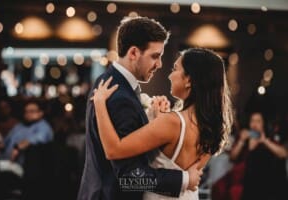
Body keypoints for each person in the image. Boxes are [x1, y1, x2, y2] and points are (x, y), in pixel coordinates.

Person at [77, 17, 203, 200]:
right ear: (134, 53)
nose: (159, 65)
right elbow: (129, 178)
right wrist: (183, 180)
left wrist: (152, 117)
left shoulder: (106, 81)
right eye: (155, 56)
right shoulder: (119, 97)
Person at [91, 47, 233, 199]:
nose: (170, 75)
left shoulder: (171, 122)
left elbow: (113, 150)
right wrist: (158, 119)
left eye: (175, 69)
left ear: (189, 80)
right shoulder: (211, 126)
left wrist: (99, 104)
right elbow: (182, 165)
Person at [242, 112, 288, 200]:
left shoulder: (269, 139)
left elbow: (283, 154)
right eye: (252, 121)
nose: (255, 124)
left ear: (263, 124)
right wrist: (242, 142)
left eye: (258, 121)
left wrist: (264, 141)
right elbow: (233, 157)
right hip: (250, 186)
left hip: (269, 185)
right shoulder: (245, 140)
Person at [0, 99, 53, 165]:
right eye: (26, 111)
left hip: (22, 167)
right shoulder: (19, 126)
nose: (28, 114)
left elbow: (36, 139)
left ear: (40, 113)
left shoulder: (43, 127)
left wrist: (17, 148)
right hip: (3, 160)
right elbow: (4, 142)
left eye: (32, 111)